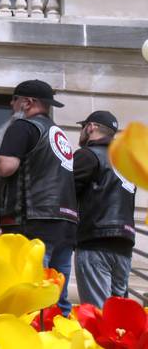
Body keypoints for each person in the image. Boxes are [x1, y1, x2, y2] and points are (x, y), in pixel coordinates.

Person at [0, 79, 77, 315]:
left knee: (32, 298)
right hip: (65, 223)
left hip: (33, 222)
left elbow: (6, 167)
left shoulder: (24, 127)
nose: (11, 105)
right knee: (57, 299)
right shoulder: (59, 134)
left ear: (27, 103)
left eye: (14, 100)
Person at [74, 111, 135, 308]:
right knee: (118, 317)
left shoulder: (87, 155)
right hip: (124, 245)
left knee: (97, 316)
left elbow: (64, 193)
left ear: (90, 127)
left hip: (95, 242)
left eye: (82, 127)